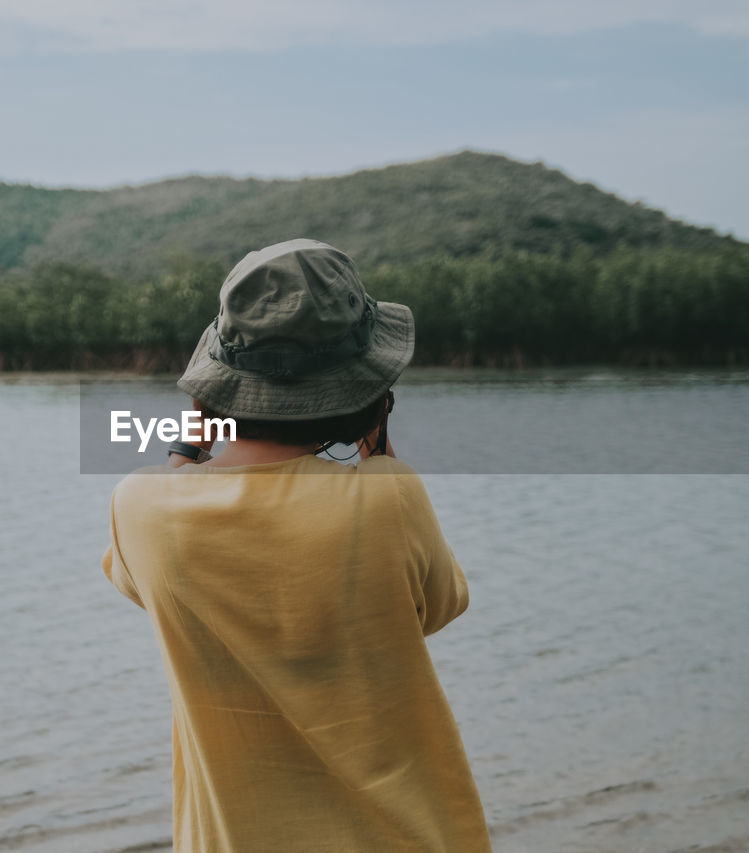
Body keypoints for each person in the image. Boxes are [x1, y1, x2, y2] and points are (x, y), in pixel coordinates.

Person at [102, 239, 491, 852]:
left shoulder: (141, 506)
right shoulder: (390, 497)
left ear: (215, 392)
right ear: (368, 392)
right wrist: (378, 445)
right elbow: (438, 608)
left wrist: (190, 444)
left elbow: (137, 583)